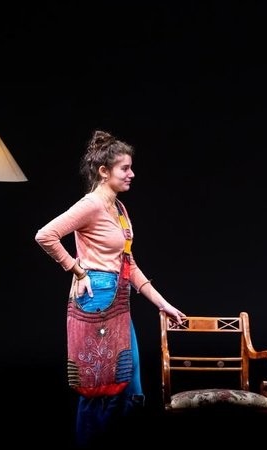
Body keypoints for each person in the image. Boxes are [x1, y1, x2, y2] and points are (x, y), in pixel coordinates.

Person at [35, 129, 186, 447]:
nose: (132, 174)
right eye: (125, 168)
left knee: (129, 388)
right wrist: (77, 270)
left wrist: (162, 304)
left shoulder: (118, 208)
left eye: (131, 167)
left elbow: (129, 264)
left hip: (119, 296)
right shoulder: (90, 205)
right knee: (98, 388)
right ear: (104, 171)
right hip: (96, 297)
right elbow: (46, 235)